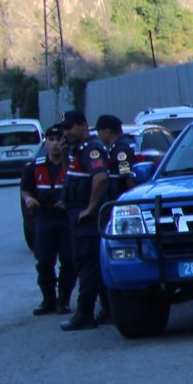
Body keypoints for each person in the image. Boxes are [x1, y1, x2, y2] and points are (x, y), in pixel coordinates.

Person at [61, 112, 133, 331]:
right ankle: (107, 310)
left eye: (70, 128)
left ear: (84, 126)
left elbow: (106, 178)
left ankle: (85, 313)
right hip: (79, 215)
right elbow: (73, 176)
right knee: (87, 262)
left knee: (87, 264)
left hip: (89, 218)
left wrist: (91, 209)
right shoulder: (78, 150)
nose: (66, 132)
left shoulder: (98, 149)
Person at [21, 128, 72, 315]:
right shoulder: (34, 166)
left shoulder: (72, 166)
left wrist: (68, 203)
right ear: (46, 142)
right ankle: (48, 300)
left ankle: (63, 300)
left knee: (69, 260)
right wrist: (28, 199)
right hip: (44, 217)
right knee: (43, 260)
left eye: (59, 139)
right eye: (51, 139)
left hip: (65, 219)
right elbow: (26, 189)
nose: (55, 143)